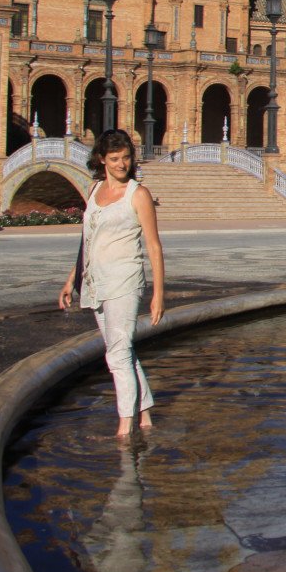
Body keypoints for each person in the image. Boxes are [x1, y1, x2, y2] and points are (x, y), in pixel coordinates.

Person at [58, 129, 165, 440]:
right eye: (115, 159)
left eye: (127, 158)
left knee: (116, 354)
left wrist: (158, 294)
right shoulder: (94, 190)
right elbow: (87, 239)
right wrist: (71, 280)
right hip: (96, 280)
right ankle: (145, 415)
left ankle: (124, 427)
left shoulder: (138, 194)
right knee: (121, 350)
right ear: (102, 159)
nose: (122, 164)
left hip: (126, 280)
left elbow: (154, 246)